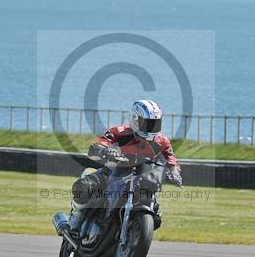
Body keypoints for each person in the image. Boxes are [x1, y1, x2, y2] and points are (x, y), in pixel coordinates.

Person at [67, 99, 183, 235]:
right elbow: (97, 145)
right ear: (135, 120)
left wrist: (174, 172)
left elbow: (171, 159)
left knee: (156, 217)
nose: (152, 127)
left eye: (155, 123)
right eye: (148, 123)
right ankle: (77, 216)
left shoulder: (162, 141)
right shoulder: (119, 131)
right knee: (83, 187)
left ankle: (133, 234)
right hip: (112, 172)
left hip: (142, 177)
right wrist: (105, 150)